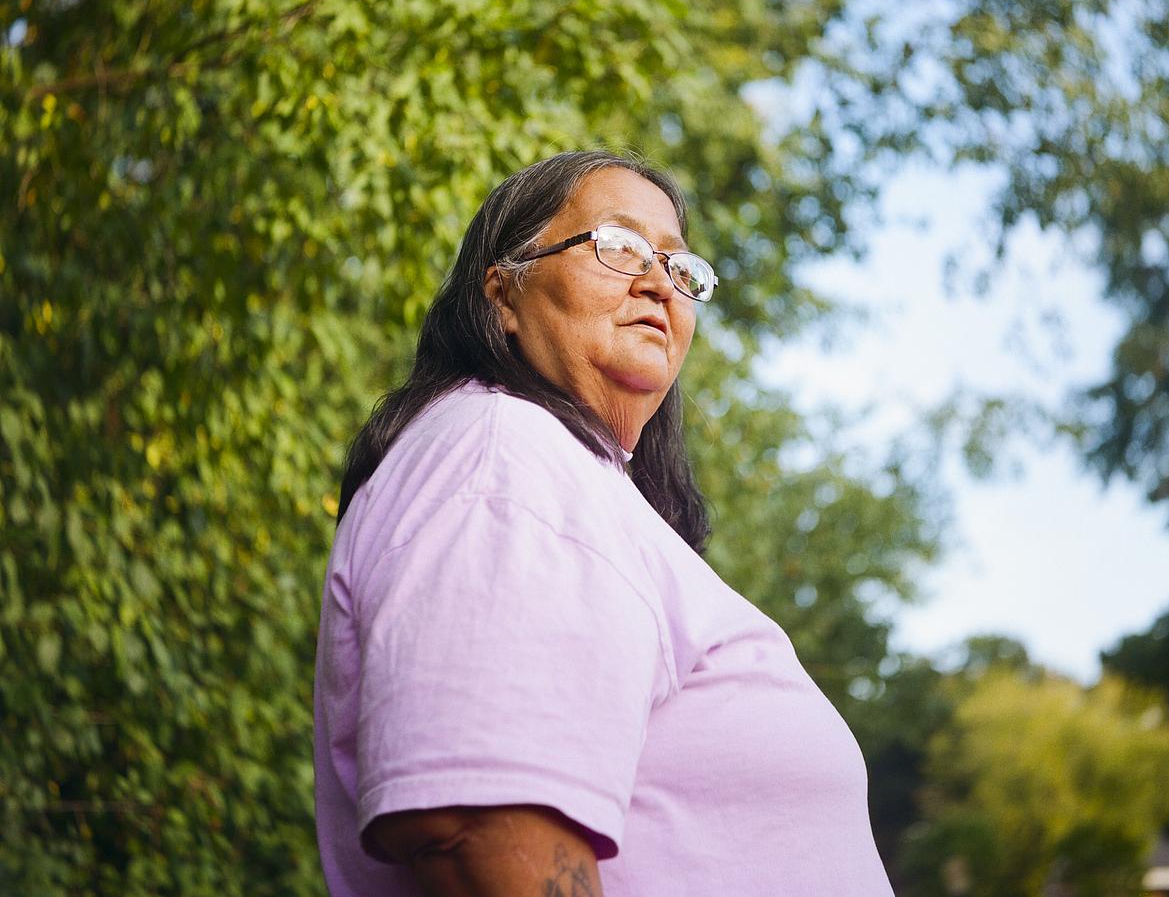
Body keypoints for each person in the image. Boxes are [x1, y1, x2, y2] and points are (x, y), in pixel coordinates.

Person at [313, 150, 895, 896]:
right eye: (618, 248)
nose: (659, 283)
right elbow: (483, 830)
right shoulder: (504, 452)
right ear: (503, 293)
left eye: (682, 270)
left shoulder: (577, 485)